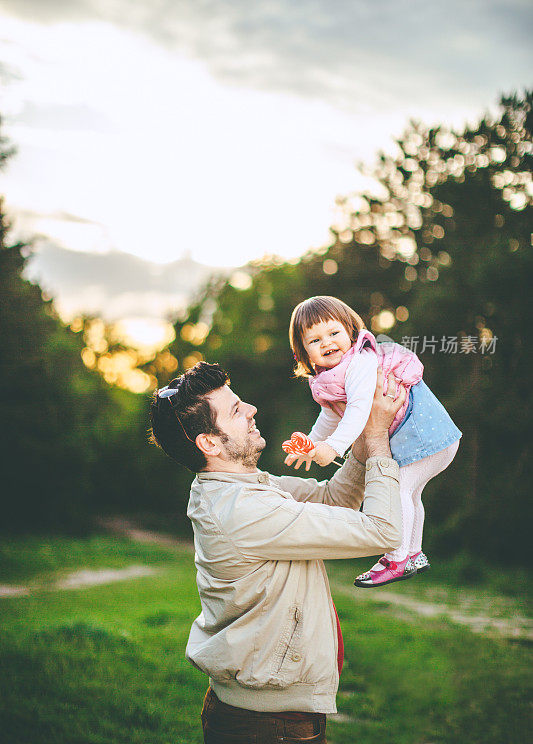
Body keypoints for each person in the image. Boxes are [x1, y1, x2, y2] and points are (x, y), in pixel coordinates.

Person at [150, 359, 405, 744]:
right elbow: (383, 531)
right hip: (270, 726)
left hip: (267, 716)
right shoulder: (243, 510)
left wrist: (362, 436)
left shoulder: (246, 487)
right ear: (210, 442)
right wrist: (379, 437)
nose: (251, 410)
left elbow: (334, 498)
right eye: (236, 410)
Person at [287, 295, 462, 587]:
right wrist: (313, 443)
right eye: (315, 341)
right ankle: (414, 553)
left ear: (350, 331)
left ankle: (397, 557)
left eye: (333, 333)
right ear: (302, 352)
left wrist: (332, 448)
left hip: (429, 438)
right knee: (411, 493)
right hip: (428, 441)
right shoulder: (328, 377)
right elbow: (331, 417)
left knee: (399, 488)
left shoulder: (360, 363)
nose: (327, 343)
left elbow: (357, 412)